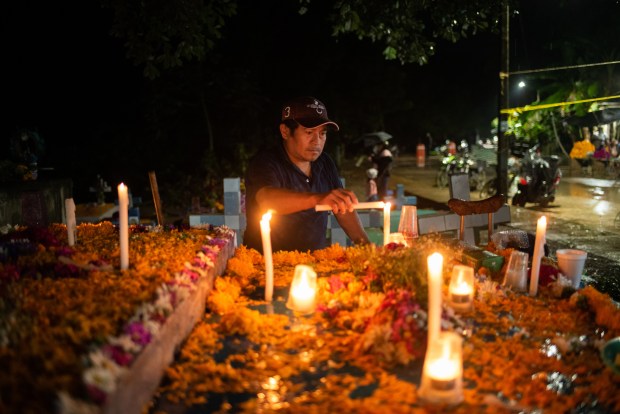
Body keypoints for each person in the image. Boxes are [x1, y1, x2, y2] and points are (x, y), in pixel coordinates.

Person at [243, 96, 370, 253]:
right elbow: (268, 200)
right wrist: (318, 198)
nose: (316, 141)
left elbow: (342, 208)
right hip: (265, 265)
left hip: (315, 264)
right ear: (285, 131)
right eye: (309, 132)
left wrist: (367, 247)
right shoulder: (265, 162)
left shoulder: (325, 162)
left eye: (322, 133)